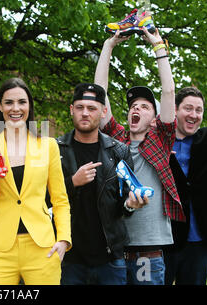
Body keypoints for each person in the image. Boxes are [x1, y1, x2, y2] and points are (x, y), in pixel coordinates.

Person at [95, 28, 185, 285]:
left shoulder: (161, 139)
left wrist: (158, 45)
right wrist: (108, 47)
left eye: (144, 106)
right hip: (116, 248)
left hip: (149, 250)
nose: (136, 108)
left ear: (155, 117)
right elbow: (99, 96)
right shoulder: (116, 140)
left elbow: (168, 92)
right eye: (133, 106)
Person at [0, 77, 71, 285]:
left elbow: (60, 200)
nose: (15, 108)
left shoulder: (48, 146)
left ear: (29, 106)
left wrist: (63, 240)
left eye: (21, 102)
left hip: (42, 247)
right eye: (8, 102)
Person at [57, 82, 142, 285]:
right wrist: (72, 182)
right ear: (71, 110)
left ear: (103, 112)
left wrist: (131, 204)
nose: (85, 113)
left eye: (92, 108)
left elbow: (125, 203)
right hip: (69, 259)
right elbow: (42, 198)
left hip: (110, 259)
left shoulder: (119, 151)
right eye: (79, 107)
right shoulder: (55, 149)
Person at [164, 87, 207, 285]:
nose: (194, 115)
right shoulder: (159, 142)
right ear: (175, 110)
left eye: (199, 110)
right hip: (164, 239)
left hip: (199, 241)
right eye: (188, 108)